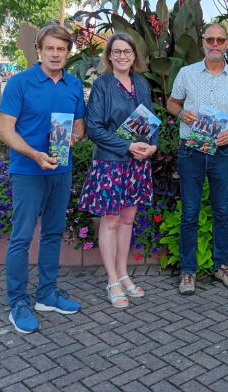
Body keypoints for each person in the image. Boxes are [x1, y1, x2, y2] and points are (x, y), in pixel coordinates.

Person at [0, 24, 86, 334]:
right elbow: (5, 130)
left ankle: (46, 294)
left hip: (60, 171)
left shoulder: (74, 85)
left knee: (52, 233)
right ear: (39, 51)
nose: (55, 54)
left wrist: (74, 138)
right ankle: (18, 301)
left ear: (67, 53)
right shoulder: (20, 83)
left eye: (61, 49)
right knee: (21, 238)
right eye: (50, 48)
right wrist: (34, 154)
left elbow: (79, 127)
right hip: (28, 172)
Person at [166, 23, 228, 295]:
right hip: (191, 149)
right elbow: (171, 102)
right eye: (210, 39)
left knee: (222, 211)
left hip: (221, 151)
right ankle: (188, 271)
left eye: (220, 40)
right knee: (190, 211)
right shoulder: (187, 74)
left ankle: (221, 265)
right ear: (203, 42)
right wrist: (180, 114)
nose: (215, 44)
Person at [78, 33, 158, 308]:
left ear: (135, 55)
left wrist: (153, 147)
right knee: (110, 221)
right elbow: (94, 129)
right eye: (117, 51)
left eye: (127, 51)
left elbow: (150, 120)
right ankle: (112, 280)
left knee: (127, 220)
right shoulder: (102, 84)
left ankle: (124, 274)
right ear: (109, 56)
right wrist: (128, 146)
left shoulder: (141, 83)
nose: (122, 56)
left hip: (137, 164)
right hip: (111, 163)